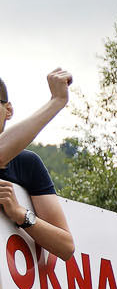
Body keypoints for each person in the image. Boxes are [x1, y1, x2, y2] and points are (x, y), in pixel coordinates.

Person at [0, 68, 76, 261]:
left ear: (8, 110)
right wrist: (56, 102)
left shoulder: (27, 164)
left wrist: (20, 214)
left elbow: (66, 247)